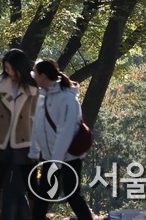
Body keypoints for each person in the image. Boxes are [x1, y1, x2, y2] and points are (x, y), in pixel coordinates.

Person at [27, 58, 94, 220]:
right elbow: (38, 127)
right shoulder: (43, 97)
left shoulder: (68, 99)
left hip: (69, 157)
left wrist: (56, 161)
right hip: (51, 157)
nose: (33, 76)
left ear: (43, 75)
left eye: (35, 73)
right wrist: (35, 152)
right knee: (43, 197)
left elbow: (67, 132)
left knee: (72, 195)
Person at [0, 49, 38, 220]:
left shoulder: (33, 87)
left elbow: (37, 116)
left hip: (25, 142)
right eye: (6, 68)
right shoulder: (0, 82)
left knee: (31, 184)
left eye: (11, 68)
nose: (8, 72)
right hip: (1, 142)